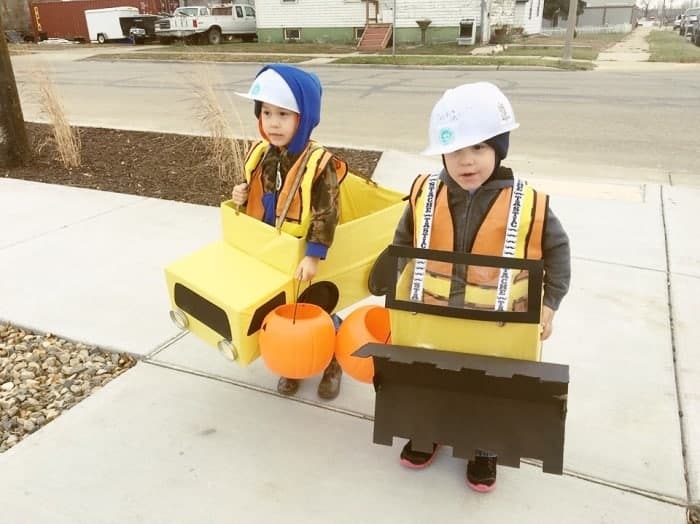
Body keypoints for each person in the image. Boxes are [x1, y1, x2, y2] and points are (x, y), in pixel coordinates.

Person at [391, 82, 571, 492]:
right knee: (432, 378)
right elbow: (403, 243)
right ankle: (428, 430)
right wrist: (391, 284)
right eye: (454, 150)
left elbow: (557, 253)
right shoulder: (425, 193)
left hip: (498, 327)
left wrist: (550, 304)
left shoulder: (530, 204)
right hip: (435, 319)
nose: (466, 161)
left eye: (479, 148)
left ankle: (484, 446)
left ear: (499, 149)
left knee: (490, 385)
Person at [232, 64, 344, 400]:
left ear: (303, 118)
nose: (273, 122)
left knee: (316, 310)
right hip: (270, 252)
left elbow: (327, 212)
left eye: (283, 113)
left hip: (302, 257)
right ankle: (293, 364)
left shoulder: (318, 164)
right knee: (282, 313)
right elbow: (261, 197)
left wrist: (313, 255)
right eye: (266, 113)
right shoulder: (264, 156)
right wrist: (239, 194)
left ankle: (332, 362)